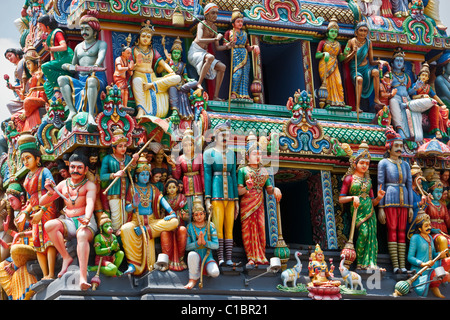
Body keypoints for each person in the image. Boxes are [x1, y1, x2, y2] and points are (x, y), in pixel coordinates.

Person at [40, 152, 98, 290]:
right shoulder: (63, 185)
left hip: (86, 221)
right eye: (72, 167)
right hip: (69, 222)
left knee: (82, 235)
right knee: (49, 225)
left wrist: (87, 218)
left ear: (85, 170)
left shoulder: (89, 185)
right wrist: (48, 192)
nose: (75, 170)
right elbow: (42, 202)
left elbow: (90, 203)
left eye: (79, 167)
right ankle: (66, 257)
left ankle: (83, 277)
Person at [120, 157, 179, 276]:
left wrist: (172, 212)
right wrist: (133, 205)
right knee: (125, 229)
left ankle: (145, 231)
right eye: (142, 174)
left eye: (147, 174)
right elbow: (127, 208)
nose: (145, 177)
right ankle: (133, 264)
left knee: (174, 222)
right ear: (137, 176)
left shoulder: (153, 188)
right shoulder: (133, 188)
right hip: (137, 221)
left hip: (152, 222)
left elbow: (163, 202)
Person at [237, 133, 281, 268]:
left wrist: (275, 189)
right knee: (248, 229)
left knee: (261, 228)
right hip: (247, 203)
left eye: (259, 154)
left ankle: (261, 256)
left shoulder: (263, 171)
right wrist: (247, 188)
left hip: (259, 203)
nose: (258, 156)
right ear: (247, 156)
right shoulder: (243, 171)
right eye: (254, 154)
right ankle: (250, 256)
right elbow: (239, 191)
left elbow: (268, 189)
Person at [339, 141, 385, 270]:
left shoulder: (369, 180)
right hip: (357, 211)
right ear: (355, 164)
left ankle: (369, 263)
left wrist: (379, 198)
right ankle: (359, 262)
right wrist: (353, 197)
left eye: (367, 164)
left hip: (370, 211)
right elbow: (341, 199)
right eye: (362, 163)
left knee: (371, 236)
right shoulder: (349, 179)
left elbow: (373, 201)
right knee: (364, 234)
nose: (364, 166)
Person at [18, 133, 58, 280]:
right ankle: (45, 274)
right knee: (37, 243)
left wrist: (42, 211)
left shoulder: (44, 172)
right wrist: (23, 213)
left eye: (28, 158)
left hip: (47, 209)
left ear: (37, 158)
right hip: (35, 212)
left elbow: (52, 193)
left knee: (48, 241)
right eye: (23, 159)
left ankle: (51, 273)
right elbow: (30, 200)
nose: (25, 161)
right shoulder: (27, 178)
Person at [57, 10, 108, 127]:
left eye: (87, 29)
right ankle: (72, 110)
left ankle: (91, 114)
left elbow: (100, 57)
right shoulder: (78, 47)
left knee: (91, 81)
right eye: (82, 29)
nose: (84, 32)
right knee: (62, 79)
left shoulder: (100, 44)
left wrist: (95, 66)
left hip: (96, 77)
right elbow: (73, 65)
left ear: (94, 32)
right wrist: (68, 66)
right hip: (80, 78)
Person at [377, 128, 414, 274]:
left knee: (402, 231)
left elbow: (409, 185)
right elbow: (380, 184)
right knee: (392, 230)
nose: (399, 149)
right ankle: (396, 264)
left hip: (404, 199)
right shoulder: (384, 163)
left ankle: (403, 265)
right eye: (396, 146)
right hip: (389, 198)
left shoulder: (405, 164)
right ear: (390, 147)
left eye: (401, 146)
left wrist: (410, 206)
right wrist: (380, 207)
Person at [203, 120, 239, 266]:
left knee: (229, 227)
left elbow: (235, 177)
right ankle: (220, 257)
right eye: (222, 134)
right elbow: (207, 176)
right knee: (217, 227)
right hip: (216, 194)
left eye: (227, 135)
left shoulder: (231, 154)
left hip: (230, 194)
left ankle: (229, 257)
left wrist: (236, 200)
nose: (225, 138)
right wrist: (207, 199)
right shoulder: (209, 153)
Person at [131, 19, 181, 119]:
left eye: (148, 37)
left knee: (177, 78)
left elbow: (162, 63)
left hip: (153, 79)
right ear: (139, 38)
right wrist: (136, 64)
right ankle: (141, 110)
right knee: (136, 81)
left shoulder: (153, 51)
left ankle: (152, 85)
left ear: (151, 40)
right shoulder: (134, 50)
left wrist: (171, 72)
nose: (145, 39)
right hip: (139, 77)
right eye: (143, 36)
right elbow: (130, 67)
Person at [187, 3, 232, 101]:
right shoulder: (201, 24)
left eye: (216, 13)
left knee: (222, 67)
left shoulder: (214, 28)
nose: (215, 15)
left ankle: (215, 96)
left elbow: (218, 47)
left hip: (203, 53)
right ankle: (199, 83)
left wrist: (227, 47)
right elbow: (199, 39)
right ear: (206, 14)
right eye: (213, 13)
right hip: (195, 52)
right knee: (210, 57)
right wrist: (215, 39)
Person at [389, 48, 435, 141]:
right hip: (396, 98)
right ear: (392, 63)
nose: (399, 62)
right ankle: (400, 130)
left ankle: (416, 135)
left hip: (407, 99)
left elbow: (409, 92)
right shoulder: (390, 75)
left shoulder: (406, 77)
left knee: (426, 102)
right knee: (392, 101)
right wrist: (390, 94)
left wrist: (415, 88)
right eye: (397, 60)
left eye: (401, 61)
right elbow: (385, 89)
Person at [99, 128, 139, 234]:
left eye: (125, 146)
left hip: (127, 194)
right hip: (114, 193)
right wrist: (114, 175)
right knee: (116, 218)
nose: (123, 148)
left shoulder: (128, 158)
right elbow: (102, 176)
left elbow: (132, 174)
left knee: (126, 217)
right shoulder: (108, 159)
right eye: (120, 146)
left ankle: (125, 237)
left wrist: (134, 162)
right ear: (114, 147)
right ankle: (116, 240)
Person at [343, 21, 384, 113]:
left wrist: (379, 61)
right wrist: (353, 52)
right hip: (356, 69)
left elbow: (371, 61)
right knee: (359, 80)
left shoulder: (369, 43)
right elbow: (345, 60)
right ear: (356, 32)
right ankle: (357, 106)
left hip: (366, 69)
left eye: (365, 31)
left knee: (376, 72)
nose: (363, 33)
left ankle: (376, 98)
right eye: (361, 30)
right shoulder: (351, 42)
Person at [408, 213, 450, 298]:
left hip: (432, 265)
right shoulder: (415, 238)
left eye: (430, 225)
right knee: (444, 275)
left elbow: (434, 254)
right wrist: (423, 264)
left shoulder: (430, 237)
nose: (429, 228)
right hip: (421, 269)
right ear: (420, 228)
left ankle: (437, 283)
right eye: (426, 226)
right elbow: (410, 257)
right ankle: (434, 286)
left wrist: (440, 254)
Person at [224, 8, 260, 102]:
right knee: (237, 73)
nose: (240, 23)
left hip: (244, 54)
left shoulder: (244, 34)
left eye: (241, 22)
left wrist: (254, 47)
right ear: (233, 23)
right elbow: (224, 45)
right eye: (238, 21)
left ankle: (244, 95)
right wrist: (229, 44)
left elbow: (247, 47)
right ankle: (233, 93)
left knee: (245, 74)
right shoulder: (229, 33)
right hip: (235, 52)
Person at [184, 197, 219, 289]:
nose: (199, 217)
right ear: (193, 216)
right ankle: (192, 279)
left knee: (215, 273)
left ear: (204, 214)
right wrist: (197, 243)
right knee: (191, 254)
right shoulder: (189, 227)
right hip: (195, 256)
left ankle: (204, 270)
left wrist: (205, 242)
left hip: (208, 257)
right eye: (196, 215)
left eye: (201, 214)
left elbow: (216, 245)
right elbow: (187, 247)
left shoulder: (210, 225)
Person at [37, 13, 74, 100]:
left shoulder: (57, 32)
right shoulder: (48, 37)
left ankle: (57, 90)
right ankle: (54, 102)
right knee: (46, 84)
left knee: (44, 66)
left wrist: (49, 48)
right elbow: (52, 57)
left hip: (66, 57)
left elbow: (64, 47)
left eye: (41, 26)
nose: (40, 28)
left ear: (47, 26)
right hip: (59, 59)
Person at [162, 36, 198, 121]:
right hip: (172, 83)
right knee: (172, 88)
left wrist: (189, 80)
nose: (176, 55)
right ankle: (175, 111)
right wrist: (170, 69)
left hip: (181, 84)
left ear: (180, 55)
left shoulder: (182, 64)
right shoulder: (169, 63)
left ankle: (183, 90)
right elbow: (162, 73)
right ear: (171, 53)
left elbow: (185, 77)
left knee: (196, 82)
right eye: (174, 53)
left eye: (178, 53)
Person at [408, 62, 449, 139]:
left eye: (426, 76)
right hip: (418, 105)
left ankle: (436, 130)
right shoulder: (415, 85)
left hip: (427, 106)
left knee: (436, 107)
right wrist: (422, 96)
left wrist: (442, 104)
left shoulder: (428, 87)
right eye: (422, 75)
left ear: (428, 78)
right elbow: (413, 97)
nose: (424, 77)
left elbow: (435, 96)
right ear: (419, 76)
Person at [12, 47, 47, 133]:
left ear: (36, 64)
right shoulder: (31, 78)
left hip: (41, 98)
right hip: (31, 99)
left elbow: (48, 86)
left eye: (29, 64)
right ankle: (24, 132)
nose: (28, 67)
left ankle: (26, 115)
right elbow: (27, 95)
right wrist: (21, 94)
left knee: (27, 101)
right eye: (27, 64)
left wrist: (40, 81)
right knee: (14, 117)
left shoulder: (42, 73)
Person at [173, 127, 205, 222]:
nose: (187, 148)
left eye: (189, 145)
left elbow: (202, 173)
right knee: (187, 209)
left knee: (199, 209)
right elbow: (177, 176)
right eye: (185, 145)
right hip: (186, 186)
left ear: (194, 146)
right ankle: (188, 229)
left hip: (198, 185)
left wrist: (204, 188)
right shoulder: (180, 158)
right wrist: (174, 165)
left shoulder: (199, 156)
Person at [315, 16, 346, 108]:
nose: (334, 33)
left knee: (338, 83)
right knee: (327, 82)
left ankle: (339, 102)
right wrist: (324, 54)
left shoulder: (338, 44)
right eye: (332, 31)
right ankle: (328, 102)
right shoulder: (323, 42)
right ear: (328, 32)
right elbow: (317, 55)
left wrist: (347, 52)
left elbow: (341, 58)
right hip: (325, 64)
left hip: (335, 64)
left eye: (336, 32)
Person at [160, 178, 188, 271]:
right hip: (167, 224)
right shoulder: (164, 199)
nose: (171, 189)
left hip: (179, 223)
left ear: (177, 188)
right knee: (164, 233)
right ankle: (166, 261)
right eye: (169, 187)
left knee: (183, 231)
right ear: (166, 189)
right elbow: (161, 214)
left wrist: (179, 215)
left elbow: (187, 216)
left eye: (174, 187)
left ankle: (180, 259)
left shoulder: (182, 198)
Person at [4, 48, 29, 115]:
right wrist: (13, 87)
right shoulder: (17, 69)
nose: (9, 58)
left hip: (29, 88)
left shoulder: (23, 63)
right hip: (22, 92)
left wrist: (14, 87)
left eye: (10, 55)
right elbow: (21, 85)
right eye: (7, 58)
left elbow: (25, 83)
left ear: (17, 55)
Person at [113, 43, 134, 108]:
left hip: (124, 79)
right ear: (123, 53)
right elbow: (119, 68)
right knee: (121, 90)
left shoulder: (127, 61)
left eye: (130, 53)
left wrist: (131, 67)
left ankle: (125, 105)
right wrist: (128, 68)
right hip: (118, 77)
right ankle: (120, 104)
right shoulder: (118, 59)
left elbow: (131, 74)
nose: (129, 55)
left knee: (126, 91)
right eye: (128, 53)